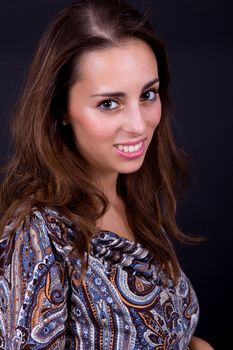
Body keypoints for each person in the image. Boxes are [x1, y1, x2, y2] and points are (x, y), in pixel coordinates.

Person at [0, 0, 214, 349]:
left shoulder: (134, 198)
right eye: (108, 103)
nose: (138, 124)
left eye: (148, 94)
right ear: (60, 109)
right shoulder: (38, 237)